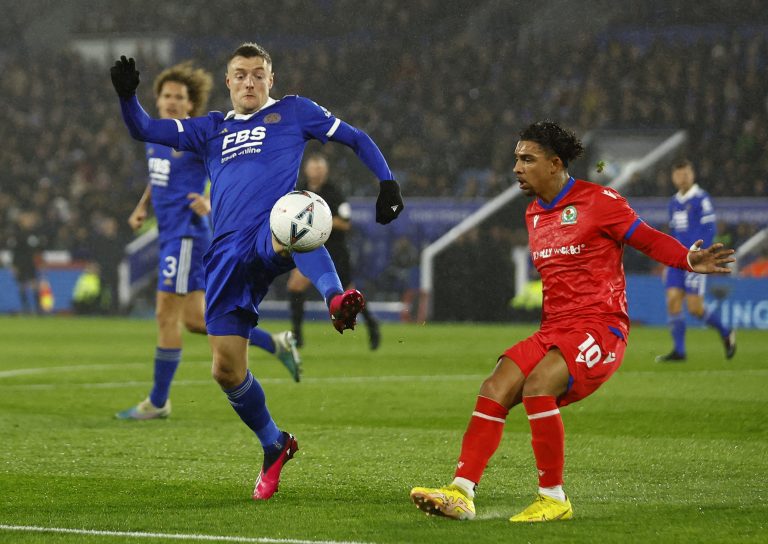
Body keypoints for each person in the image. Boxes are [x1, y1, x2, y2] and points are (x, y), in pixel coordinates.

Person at [110, 43, 403, 500]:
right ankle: (275, 444)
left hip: (266, 234)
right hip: (224, 254)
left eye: (258, 74)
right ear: (228, 83)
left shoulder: (294, 112)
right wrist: (128, 97)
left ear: (271, 80)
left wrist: (386, 181)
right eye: (241, 75)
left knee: (295, 215)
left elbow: (357, 138)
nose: (250, 82)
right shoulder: (209, 129)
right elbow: (144, 129)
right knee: (225, 371)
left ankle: (335, 298)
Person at [409, 121, 733, 523]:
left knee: (538, 384)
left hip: (602, 327)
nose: (517, 168)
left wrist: (687, 259)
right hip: (554, 329)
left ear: (555, 163)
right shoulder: (533, 213)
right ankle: (460, 493)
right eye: (515, 159)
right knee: (495, 385)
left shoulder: (600, 200)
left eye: (527, 159)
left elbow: (646, 237)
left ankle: (554, 498)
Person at [115, 62, 302, 421]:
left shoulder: (197, 138)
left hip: (187, 236)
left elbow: (232, 171)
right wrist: (142, 208)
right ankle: (276, 343)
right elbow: (158, 179)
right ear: (158, 100)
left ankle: (157, 401)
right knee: (197, 321)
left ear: (190, 104)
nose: (171, 102)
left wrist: (210, 201)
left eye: (179, 97)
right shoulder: (157, 140)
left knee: (164, 314)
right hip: (171, 235)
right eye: (166, 96)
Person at [287, 153, 380, 349]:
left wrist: (319, 222)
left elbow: (345, 223)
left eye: (320, 168)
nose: (316, 172)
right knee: (295, 285)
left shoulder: (334, 193)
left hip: (336, 251)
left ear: (326, 171)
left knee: (348, 293)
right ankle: (297, 334)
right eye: (313, 168)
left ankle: (371, 323)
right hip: (311, 248)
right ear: (306, 170)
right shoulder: (300, 191)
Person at [655, 159, 736, 362]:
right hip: (676, 260)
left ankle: (726, 332)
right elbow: (673, 233)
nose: (683, 178)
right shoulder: (673, 202)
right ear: (674, 177)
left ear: (693, 175)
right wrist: (667, 260)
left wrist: (701, 255)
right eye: (679, 174)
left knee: (695, 308)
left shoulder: (702, 199)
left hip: (696, 261)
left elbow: (710, 229)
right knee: (673, 300)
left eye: (686, 173)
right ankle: (679, 351)